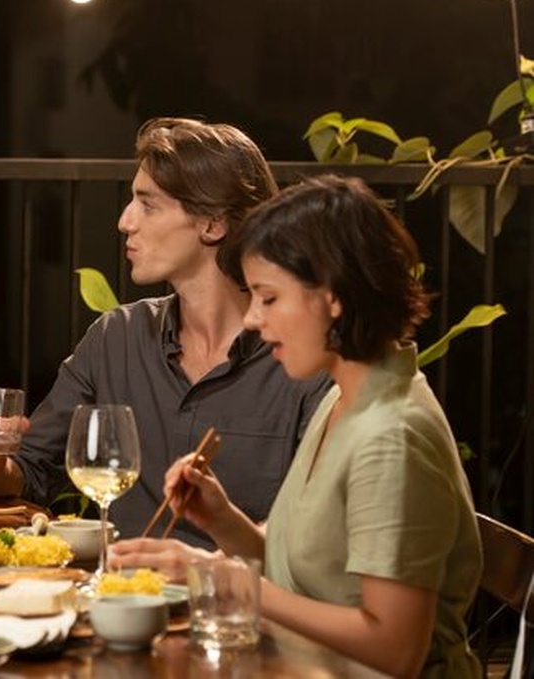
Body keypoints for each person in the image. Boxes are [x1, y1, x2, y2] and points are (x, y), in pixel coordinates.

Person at [110, 175, 481, 678]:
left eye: (268, 297)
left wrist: (214, 575)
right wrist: (224, 522)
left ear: (331, 296)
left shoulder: (391, 436)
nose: (253, 322)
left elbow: (395, 649)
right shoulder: (345, 400)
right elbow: (312, 575)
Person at [0, 117, 330, 547]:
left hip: (240, 604)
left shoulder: (301, 360)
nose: (125, 221)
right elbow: (32, 471)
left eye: (148, 205)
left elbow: (316, 538)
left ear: (212, 223)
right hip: (120, 602)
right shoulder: (116, 338)